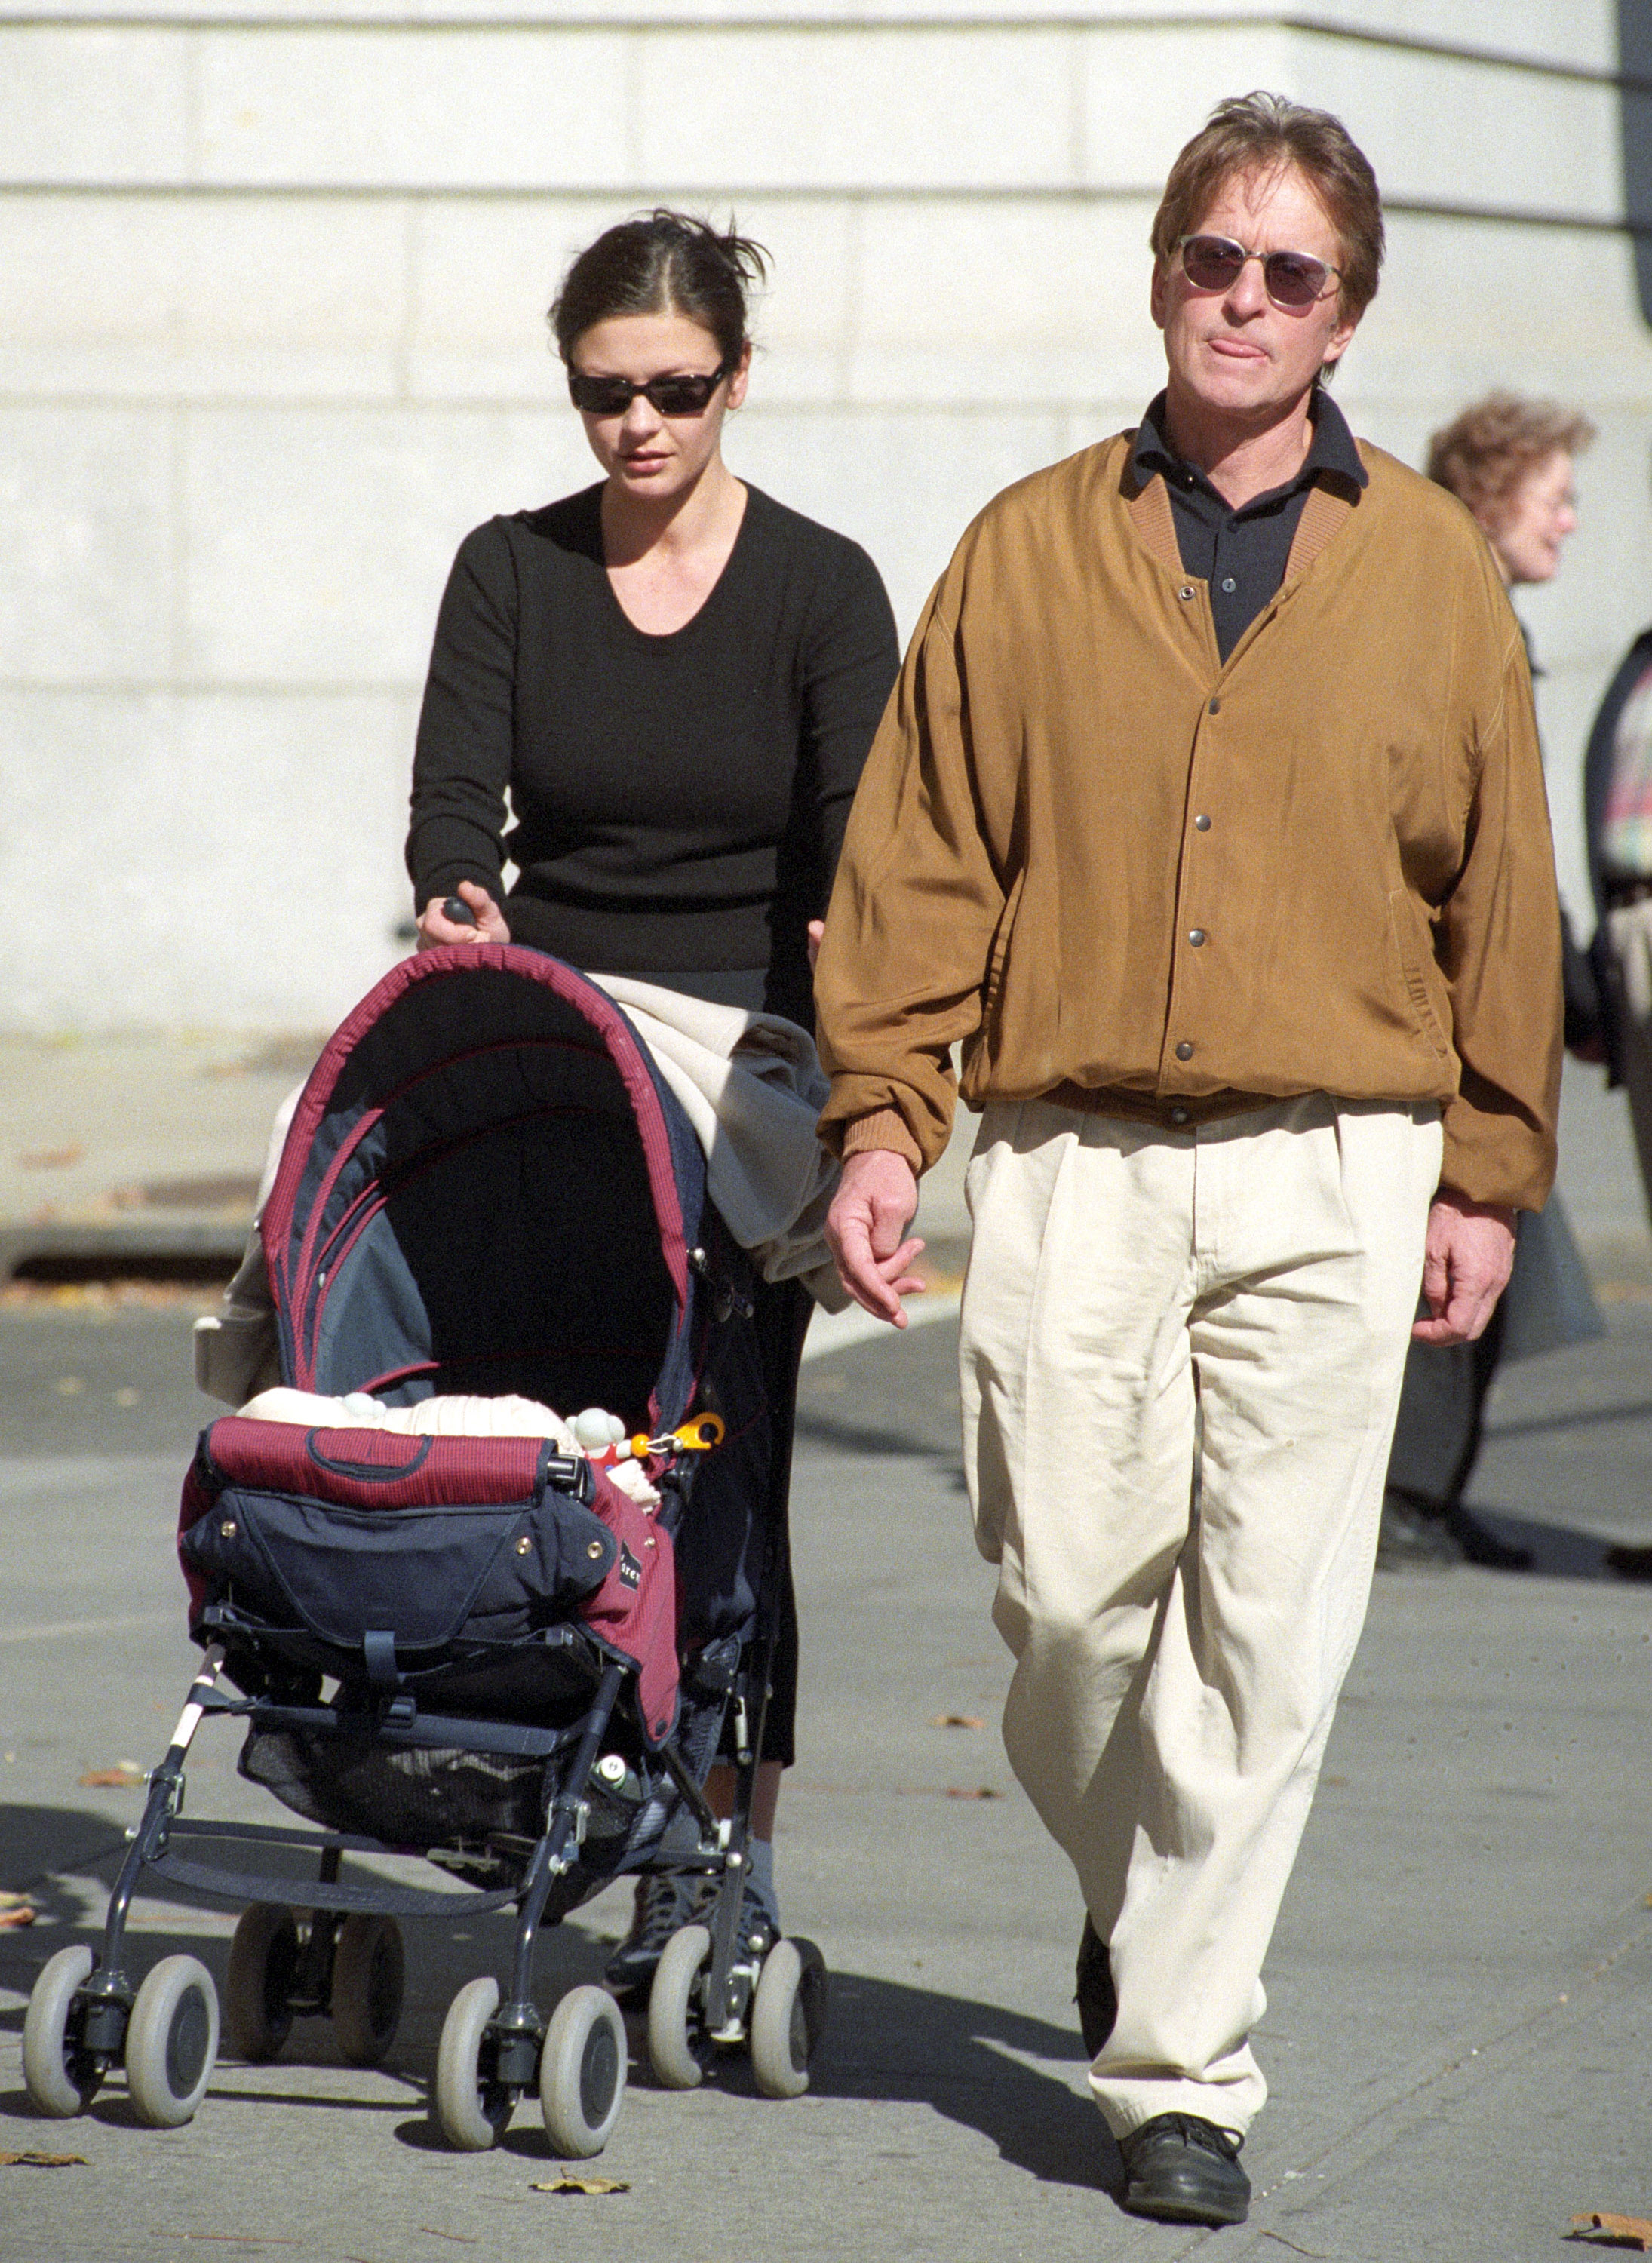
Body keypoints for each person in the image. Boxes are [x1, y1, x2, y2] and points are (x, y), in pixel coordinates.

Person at [815, 94, 1561, 2229]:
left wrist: (1483, 1178)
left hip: (1339, 1165)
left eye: (1287, 274)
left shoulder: (1424, 568)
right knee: (1061, 1602)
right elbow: (924, 854)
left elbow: (1495, 895)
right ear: (1159, 277)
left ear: (1344, 315)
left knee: (1267, 1635)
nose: (1241, 301)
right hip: (1065, 1159)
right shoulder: (1026, 546)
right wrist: (885, 1117)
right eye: (1209, 261)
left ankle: (1176, 2072)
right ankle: (1145, 1892)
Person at [405, 208, 899, 1988]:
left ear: (736, 383)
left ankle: (720, 1832)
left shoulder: (821, 586)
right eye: (604, 392)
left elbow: (868, 839)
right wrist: (458, 886)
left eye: (677, 391)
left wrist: (869, 1022)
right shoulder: (511, 571)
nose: (639, 427)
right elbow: (457, 802)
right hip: (557, 1034)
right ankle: (518, 1756)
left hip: (749, 1052)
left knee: (720, 1459)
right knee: (531, 1433)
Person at [1380, 394, 1604, 1570]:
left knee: (1484, 1243)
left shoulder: (1471, 607)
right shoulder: (1460, 613)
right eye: (1553, 498)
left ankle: (1429, 1489)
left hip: (1469, 992)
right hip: (1444, 1009)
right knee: (1460, 1238)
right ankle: (1407, 1495)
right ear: (1492, 493)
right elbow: (1489, 849)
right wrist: (1567, 998)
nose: (1568, 523)